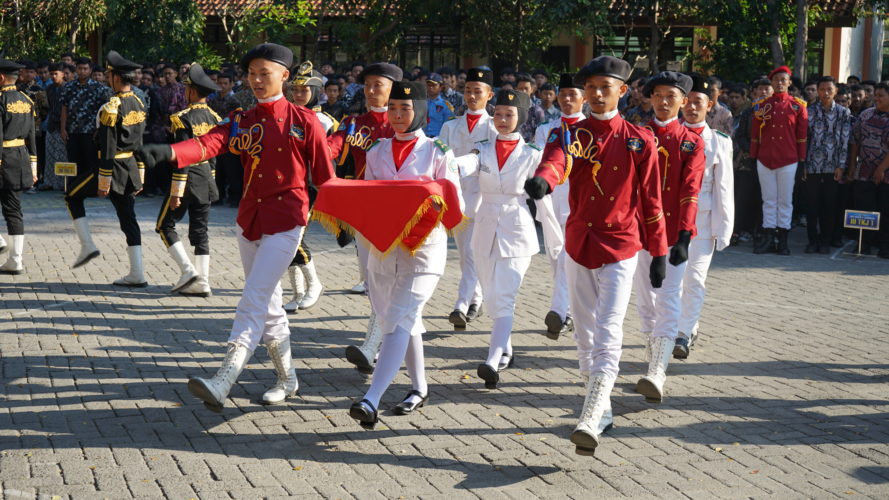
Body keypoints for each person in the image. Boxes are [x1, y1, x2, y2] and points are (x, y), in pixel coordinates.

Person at [138, 43, 334, 410]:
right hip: (249, 221)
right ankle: (288, 378)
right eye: (252, 74)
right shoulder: (242, 118)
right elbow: (211, 142)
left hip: (288, 220)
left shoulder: (305, 121)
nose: (257, 80)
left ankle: (224, 379)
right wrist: (170, 153)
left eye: (265, 73)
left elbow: (326, 178)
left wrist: (344, 219)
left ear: (285, 76)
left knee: (254, 298)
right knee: (270, 304)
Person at [525, 56, 667, 456]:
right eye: (592, 89)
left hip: (622, 244)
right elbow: (557, 161)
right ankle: (601, 407)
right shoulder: (571, 134)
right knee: (584, 331)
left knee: (608, 328)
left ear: (624, 91)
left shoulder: (640, 139)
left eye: (606, 88)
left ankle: (589, 414)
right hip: (579, 243)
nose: (598, 95)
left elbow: (651, 199)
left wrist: (657, 251)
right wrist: (543, 180)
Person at [348, 81, 462, 428]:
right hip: (383, 252)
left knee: (396, 322)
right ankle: (419, 389)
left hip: (424, 253)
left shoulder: (438, 152)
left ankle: (371, 399)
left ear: (421, 112)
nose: (397, 116)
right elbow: (368, 200)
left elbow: (455, 208)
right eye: (393, 108)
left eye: (406, 109)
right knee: (400, 321)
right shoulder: (376, 150)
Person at [455, 89, 541, 389]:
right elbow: (467, 164)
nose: (502, 120)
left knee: (506, 295)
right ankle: (506, 348)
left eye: (509, 115)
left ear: (521, 118)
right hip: (484, 227)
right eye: (499, 114)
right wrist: (446, 164)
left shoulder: (532, 153)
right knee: (492, 297)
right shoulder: (482, 148)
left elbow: (550, 184)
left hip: (516, 230)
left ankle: (492, 359)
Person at [632, 71, 705, 402]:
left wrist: (685, 236)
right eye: (657, 95)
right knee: (645, 299)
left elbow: (691, 190)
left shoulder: (691, 141)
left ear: (683, 101)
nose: (663, 102)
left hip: (673, 233)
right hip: (636, 231)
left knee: (669, 296)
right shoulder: (636, 135)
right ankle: (653, 357)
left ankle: (657, 370)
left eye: (670, 96)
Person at [328, 62, 403, 373]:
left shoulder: (405, 122)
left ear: (393, 89)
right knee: (372, 280)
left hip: (399, 214)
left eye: (378, 85)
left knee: (388, 279)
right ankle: (390, 339)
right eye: (368, 85)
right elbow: (331, 147)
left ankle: (373, 345)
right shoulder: (354, 123)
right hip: (364, 213)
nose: (372, 91)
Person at [65, 51, 147, 285]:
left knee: (71, 196)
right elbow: (140, 143)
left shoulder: (112, 107)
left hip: (112, 169)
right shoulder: (138, 102)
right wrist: (140, 174)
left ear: (116, 78)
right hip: (130, 166)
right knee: (128, 218)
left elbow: (108, 148)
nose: (107, 78)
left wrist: (104, 183)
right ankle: (137, 272)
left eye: (110, 75)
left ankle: (87, 245)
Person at [674, 74, 734, 359]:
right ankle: (680, 325)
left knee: (694, 278)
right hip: (673, 218)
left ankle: (683, 334)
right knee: (674, 278)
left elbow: (725, 187)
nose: (692, 108)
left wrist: (724, 228)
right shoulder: (670, 135)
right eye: (688, 102)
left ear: (710, 105)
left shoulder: (719, 141)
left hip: (702, 220)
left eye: (699, 103)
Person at [155, 63, 222, 297]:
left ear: (192, 91)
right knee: (200, 231)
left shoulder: (182, 118)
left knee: (164, 225)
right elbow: (213, 154)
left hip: (187, 178)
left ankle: (187, 271)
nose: (184, 92)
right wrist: (211, 181)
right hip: (206, 177)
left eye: (186, 88)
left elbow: (182, 157)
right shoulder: (215, 117)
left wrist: (176, 192)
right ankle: (202, 281)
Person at [438, 67, 497, 330]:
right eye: (468, 90)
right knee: (466, 255)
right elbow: (440, 161)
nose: (472, 96)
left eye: (478, 91)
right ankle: (476, 300)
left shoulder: (496, 126)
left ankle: (461, 304)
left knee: (474, 254)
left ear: (489, 95)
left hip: (484, 199)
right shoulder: (450, 126)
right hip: (456, 197)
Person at [532, 73, 586, 338]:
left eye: (572, 95)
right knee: (556, 260)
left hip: (580, 204)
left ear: (583, 98)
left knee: (569, 259)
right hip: (552, 202)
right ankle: (569, 313)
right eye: (562, 94)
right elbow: (540, 163)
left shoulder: (590, 130)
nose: (566, 100)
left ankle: (560, 311)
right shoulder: (547, 129)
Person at [281, 61, 338, 312]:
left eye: (304, 90)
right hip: (287, 184)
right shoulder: (286, 114)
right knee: (284, 238)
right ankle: (296, 291)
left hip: (311, 186)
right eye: (295, 90)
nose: (298, 95)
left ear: (315, 92)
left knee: (294, 238)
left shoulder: (325, 121)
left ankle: (314, 284)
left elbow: (328, 157)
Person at [750, 66, 808, 255]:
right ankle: (768, 238)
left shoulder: (798, 106)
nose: (780, 83)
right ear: (772, 83)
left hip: (788, 160)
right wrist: (753, 156)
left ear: (789, 83)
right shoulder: (760, 106)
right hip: (765, 159)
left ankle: (782, 240)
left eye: (784, 80)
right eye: (776, 80)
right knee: (768, 200)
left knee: (785, 201)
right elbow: (755, 135)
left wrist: (802, 160)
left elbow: (802, 136)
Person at [803, 76, 851, 254]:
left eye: (829, 89)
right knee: (812, 205)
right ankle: (812, 240)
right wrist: (804, 165)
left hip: (833, 166)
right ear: (817, 90)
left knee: (829, 205)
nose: (825, 93)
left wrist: (841, 166)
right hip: (813, 165)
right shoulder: (810, 111)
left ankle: (825, 241)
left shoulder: (843, 113)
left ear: (836, 91)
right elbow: (805, 139)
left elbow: (845, 142)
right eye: (822, 89)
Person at [0, 59, 37, 274]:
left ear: (1, 78)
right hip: (21, 157)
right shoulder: (26, 100)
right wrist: (33, 167)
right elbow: (32, 136)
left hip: (3, 158)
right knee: (14, 210)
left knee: (12, 210)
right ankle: (16, 259)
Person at [845, 82, 889, 258]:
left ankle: (885, 245)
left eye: (881, 96)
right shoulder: (866, 114)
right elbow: (855, 140)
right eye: (875, 95)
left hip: (886, 173)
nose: (876, 98)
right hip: (864, 170)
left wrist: (881, 169)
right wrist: (853, 165)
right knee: (864, 209)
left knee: (886, 210)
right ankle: (863, 243)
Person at [60, 57, 110, 197]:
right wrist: (63, 129)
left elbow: (104, 111)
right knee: (74, 161)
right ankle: (74, 189)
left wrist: (100, 131)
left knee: (91, 162)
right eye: (79, 68)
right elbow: (64, 108)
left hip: (91, 132)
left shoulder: (99, 88)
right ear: (75, 69)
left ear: (90, 70)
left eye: (85, 69)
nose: (82, 71)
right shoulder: (68, 87)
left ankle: (91, 190)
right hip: (73, 131)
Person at [733, 79, 771, 245]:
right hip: (748, 162)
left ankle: (761, 232)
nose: (763, 92)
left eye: (766, 89)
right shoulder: (749, 112)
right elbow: (740, 136)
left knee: (762, 199)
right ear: (754, 92)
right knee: (742, 198)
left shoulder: (777, 112)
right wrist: (752, 150)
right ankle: (739, 230)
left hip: (770, 162)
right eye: (760, 89)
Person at [515, 73, 545, 142]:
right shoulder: (511, 109)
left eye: (526, 88)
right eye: (520, 89)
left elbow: (541, 133)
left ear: (532, 89)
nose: (523, 91)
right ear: (516, 89)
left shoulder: (538, 111)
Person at [423, 73, 454, 137]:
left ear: (440, 87)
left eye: (434, 85)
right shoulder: (422, 104)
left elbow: (450, 126)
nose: (431, 87)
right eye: (428, 85)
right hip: (423, 138)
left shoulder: (446, 105)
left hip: (439, 140)